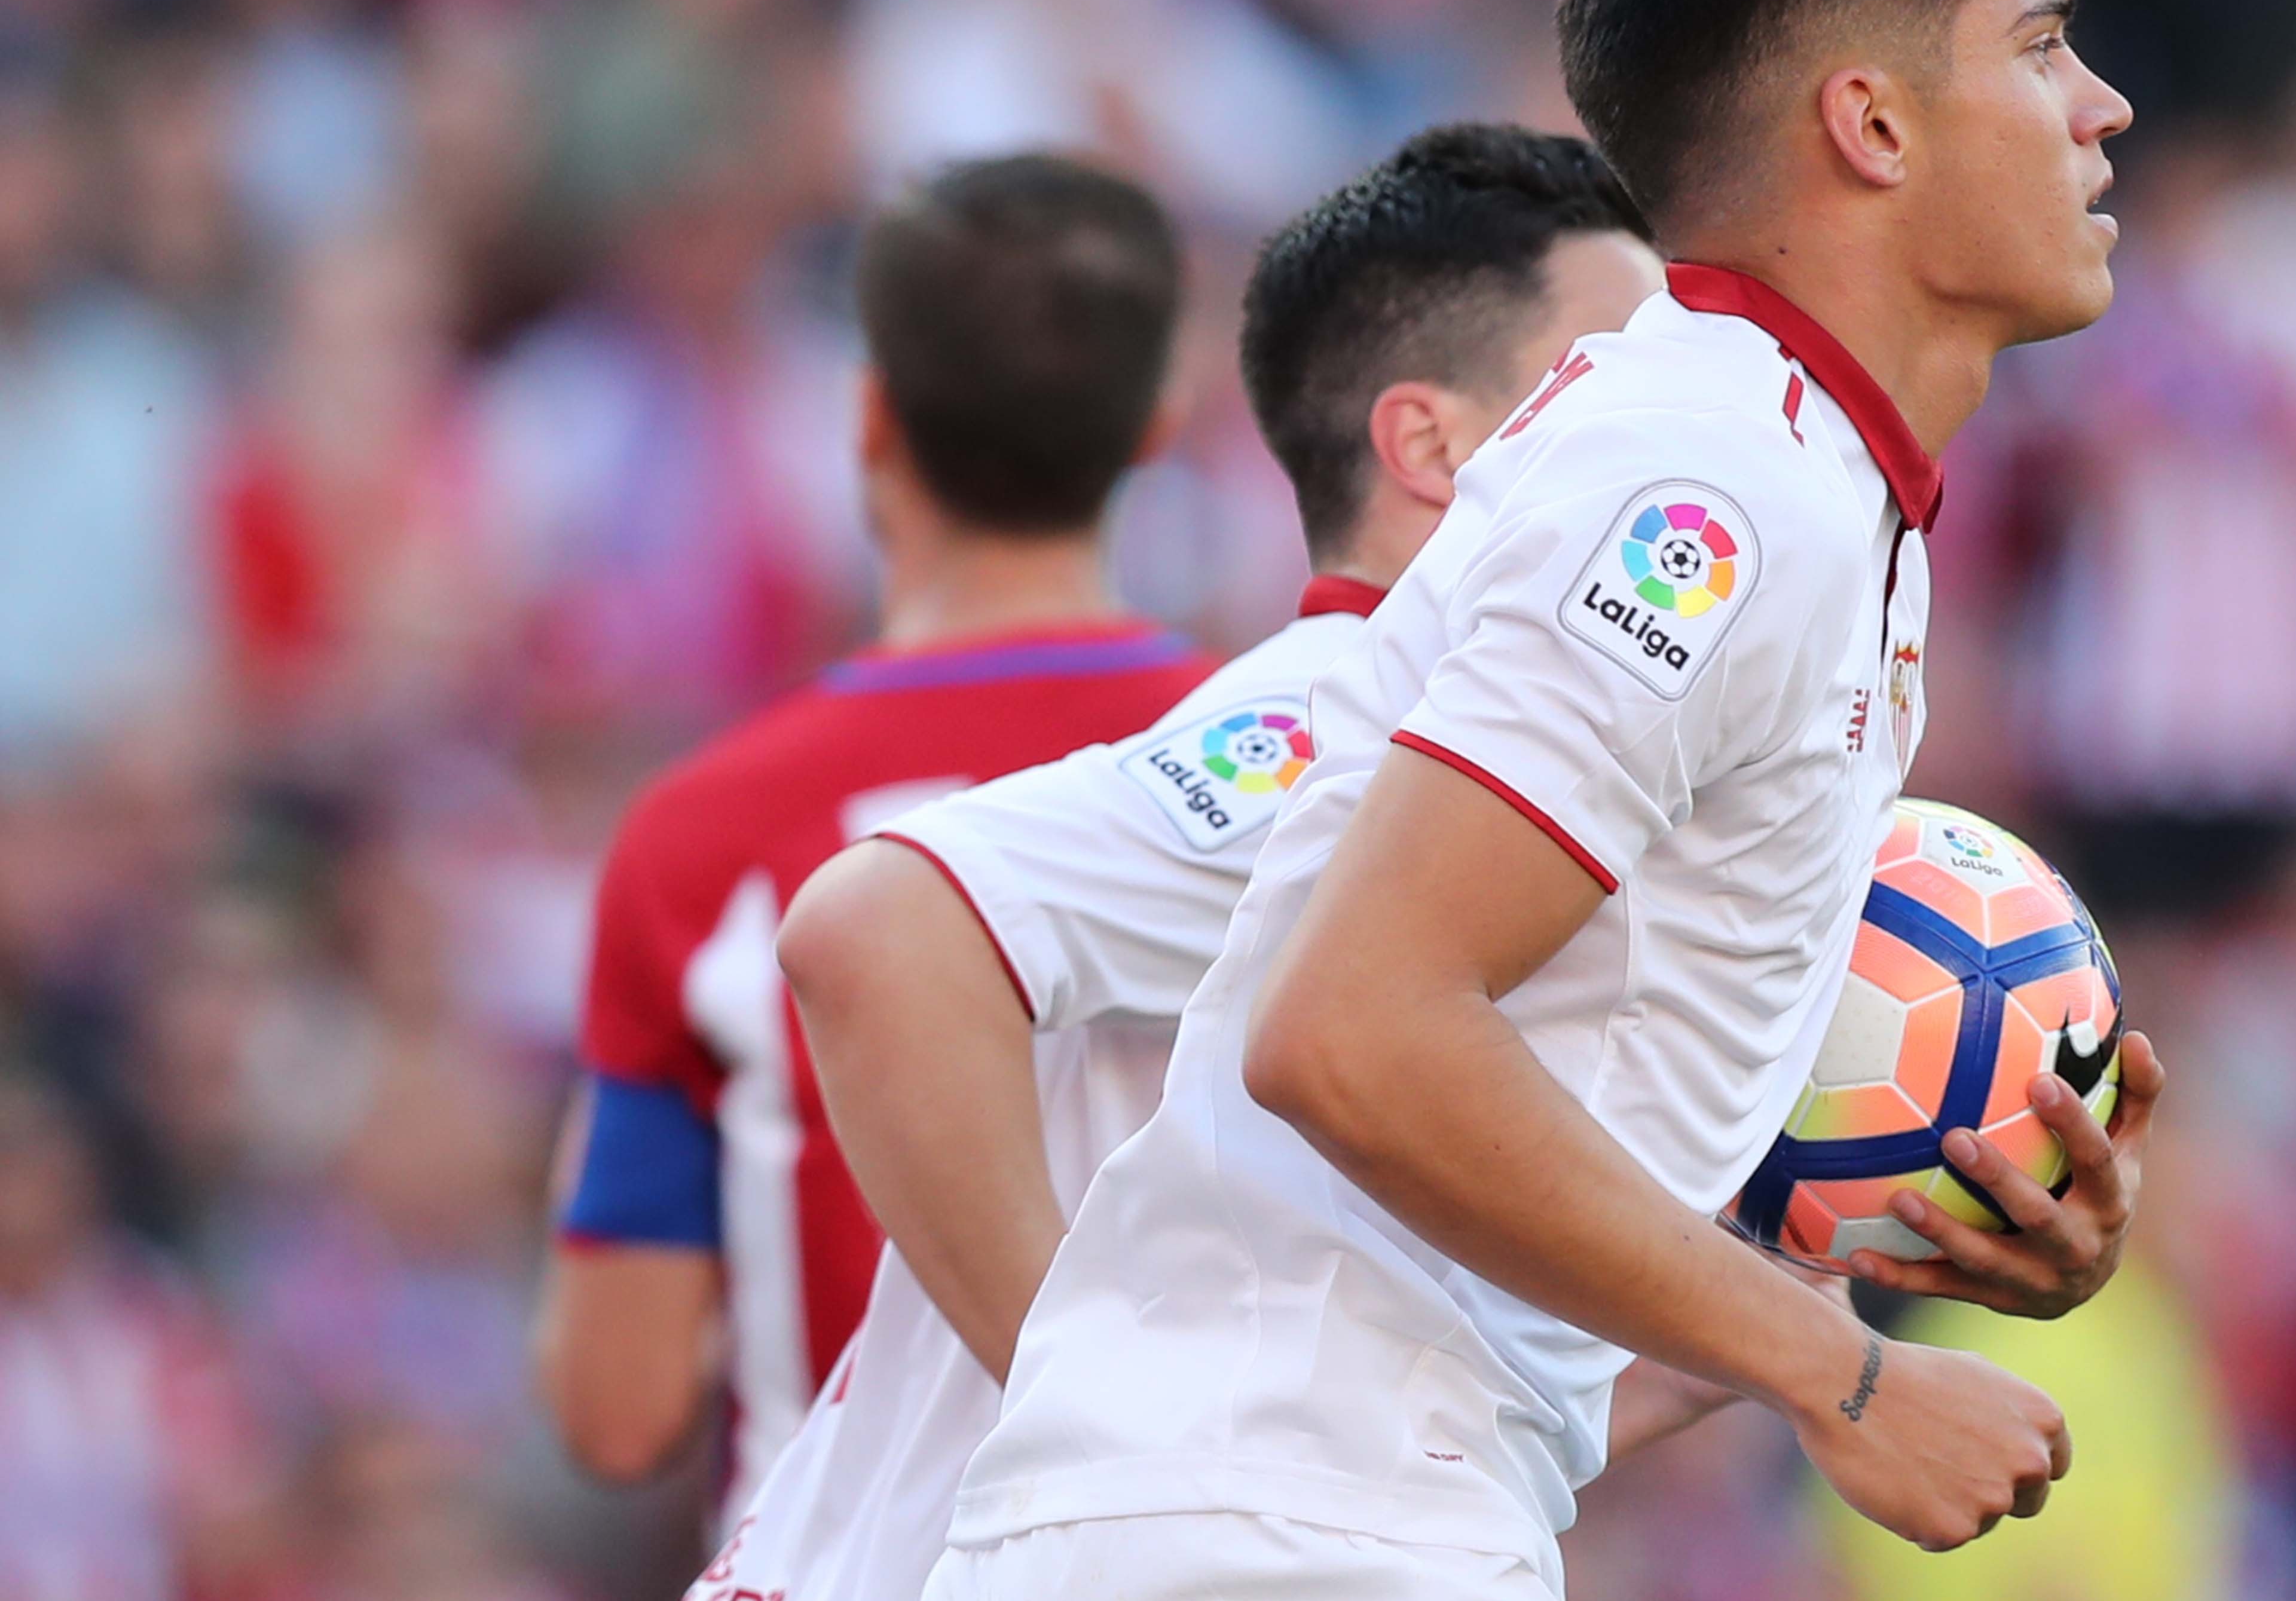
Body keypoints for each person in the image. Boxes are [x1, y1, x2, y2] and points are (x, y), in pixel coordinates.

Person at [922, 0, 2166, 1601]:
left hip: (1315, 1508)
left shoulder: (1770, 465)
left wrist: (1858, 1260)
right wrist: (1848, 1373)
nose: (2102, 106)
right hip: (1276, 1529)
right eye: (2042, 45)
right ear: (1873, 126)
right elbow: (1347, 1029)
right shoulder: (1717, 491)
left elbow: (1475, 1250)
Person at [683, 124, 1664, 1601]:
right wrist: (1114, 1441)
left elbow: (1392, 1430)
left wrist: (1795, 1326)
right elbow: (877, 928)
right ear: (1432, 447)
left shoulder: (1503, 805)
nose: (1675, 439)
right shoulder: (1348, 725)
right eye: (1614, 384)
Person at [533, 156, 1215, 1513]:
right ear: (1155, 422)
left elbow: (620, 1408)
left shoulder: (704, 835)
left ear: (868, 418)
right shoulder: (1303, 766)